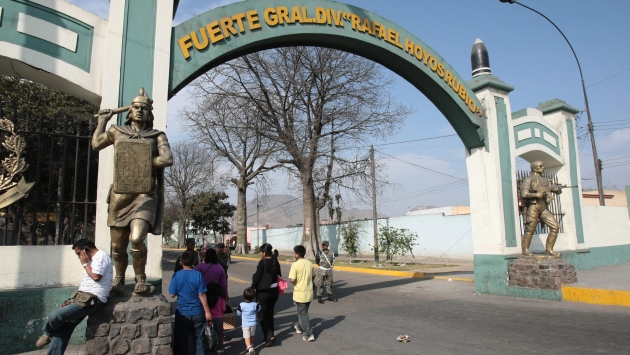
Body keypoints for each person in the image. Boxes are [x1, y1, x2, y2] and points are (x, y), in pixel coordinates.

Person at [92, 87, 173, 293]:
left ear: (149, 113)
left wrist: (138, 162)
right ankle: (119, 278)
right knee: (118, 246)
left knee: (136, 239)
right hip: (120, 197)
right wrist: (102, 121)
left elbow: (167, 158)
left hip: (144, 197)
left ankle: (140, 278)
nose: (139, 111)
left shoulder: (157, 136)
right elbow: (96, 144)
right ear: (129, 112)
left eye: (143, 108)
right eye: (135, 107)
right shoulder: (117, 132)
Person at [35, 239, 113, 355]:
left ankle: (48, 333)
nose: (79, 257)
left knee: (55, 315)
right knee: (63, 330)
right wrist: (71, 300)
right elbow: (86, 284)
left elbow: (96, 277)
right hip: (83, 299)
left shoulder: (101, 257)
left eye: (78, 254)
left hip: (94, 301)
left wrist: (85, 264)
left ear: (86, 249)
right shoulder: (90, 260)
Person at [169, 251, 212, 355]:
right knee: (199, 341)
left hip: (182, 313)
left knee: (181, 342)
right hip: (197, 312)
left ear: (180, 262)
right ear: (193, 261)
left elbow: (171, 294)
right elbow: (202, 294)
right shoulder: (198, 275)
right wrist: (207, 312)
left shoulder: (177, 275)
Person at [520, 160, 563, 256]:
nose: (543, 168)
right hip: (533, 206)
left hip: (543, 207)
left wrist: (557, 189)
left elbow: (556, 191)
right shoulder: (528, 180)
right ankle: (525, 250)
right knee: (530, 229)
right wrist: (536, 194)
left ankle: (549, 249)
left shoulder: (546, 180)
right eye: (540, 166)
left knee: (555, 227)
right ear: (534, 168)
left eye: (543, 166)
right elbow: (524, 194)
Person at [251, 243, 282, 346]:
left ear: (264, 253)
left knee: (262, 315)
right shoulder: (275, 261)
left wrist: (252, 288)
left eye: (261, 252)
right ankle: (269, 334)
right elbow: (279, 275)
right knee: (269, 314)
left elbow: (257, 277)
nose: (261, 254)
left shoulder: (262, 262)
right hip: (274, 293)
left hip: (263, 293)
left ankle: (269, 336)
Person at [289, 245, 315, 342]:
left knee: (303, 314)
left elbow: (292, 279)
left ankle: (308, 334)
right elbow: (313, 276)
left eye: (294, 253)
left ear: (297, 255)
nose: (294, 254)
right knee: (303, 312)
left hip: (300, 293)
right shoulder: (309, 263)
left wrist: (296, 282)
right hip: (309, 292)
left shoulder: (295, 265)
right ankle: (298, 326)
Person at [236, 287, 261, 354]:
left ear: (244, 296)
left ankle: (249, 347)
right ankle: (252, 345)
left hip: (245, 324)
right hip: (253, 324)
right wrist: (258, 304)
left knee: (246, 336)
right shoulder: (255, 305)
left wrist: (239, 315)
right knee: (252, 335)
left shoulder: (241, 304)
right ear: (253, 297)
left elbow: (238, 313)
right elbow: (258, 309)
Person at [206, 282, 226, 354]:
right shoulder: (220, 298)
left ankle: (210, 347)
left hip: (209, 318)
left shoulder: (207, 298)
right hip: (219, 318)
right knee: (219, 333)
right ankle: (219, 348)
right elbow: (223, 308)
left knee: (209, 333)